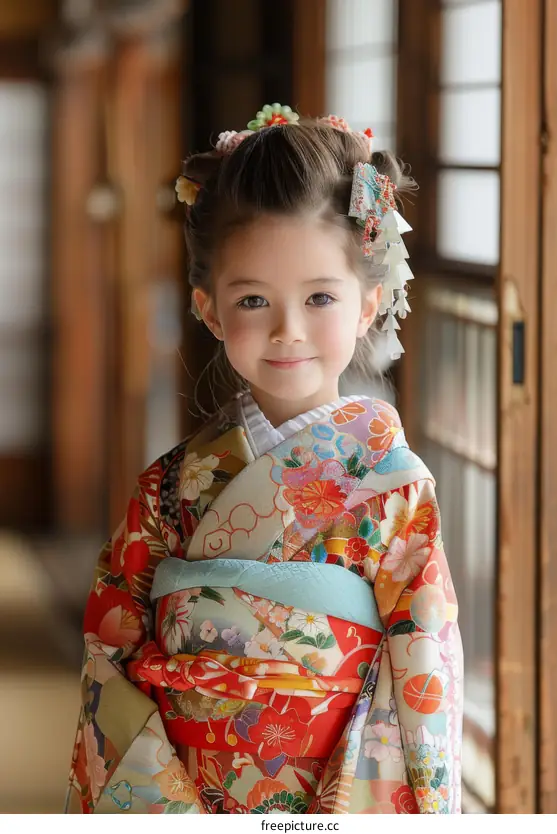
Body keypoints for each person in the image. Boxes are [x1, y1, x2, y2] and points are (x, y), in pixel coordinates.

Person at [65, 103, 463, 815]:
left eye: (319, 297)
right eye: (253, 299)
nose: (287, 330)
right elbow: (111, 655)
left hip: (338, 787)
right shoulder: (167, 490)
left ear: (369, 305)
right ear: (208, 309)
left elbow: (423, 666)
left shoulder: (392, 491)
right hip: (180, 792)